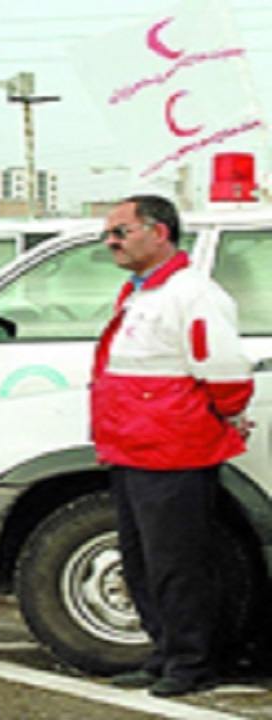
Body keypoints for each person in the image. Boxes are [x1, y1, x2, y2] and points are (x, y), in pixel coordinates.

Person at [94, 196, 252, 698]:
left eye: (121, 231)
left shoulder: (191, 294)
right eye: (110, 233)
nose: (111, 242)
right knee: (141, 561)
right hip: (132, 449)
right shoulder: (141, 293)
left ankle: (193, 661)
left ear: (158, 232)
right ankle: (163, 651)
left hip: (173, 451)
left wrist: (223, 418)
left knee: (178, 563)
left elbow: (224, 372)